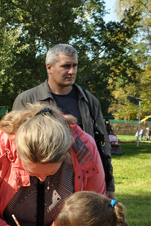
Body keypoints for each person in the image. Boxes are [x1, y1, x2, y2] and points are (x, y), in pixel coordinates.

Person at [13, 43, 116, 199]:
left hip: (81, 181)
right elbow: (12, 145)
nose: (72, 71)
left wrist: (109, 184)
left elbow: (102, 145)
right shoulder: (27, 100)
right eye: (66, 66)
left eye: (75, 66)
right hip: (40, 182)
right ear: (49, 67)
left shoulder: (89, 101)